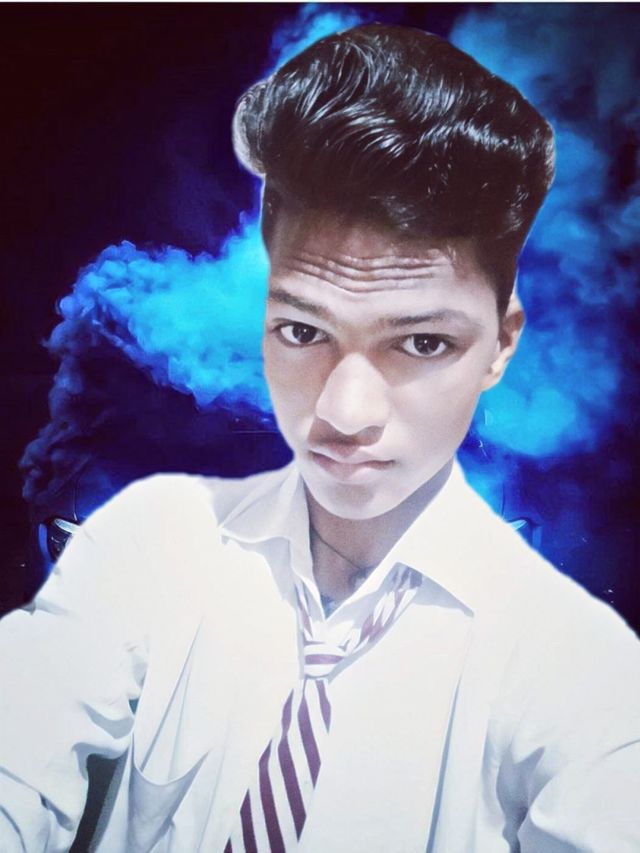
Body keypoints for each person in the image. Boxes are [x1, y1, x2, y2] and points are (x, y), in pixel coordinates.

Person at [1, 23, 639, 853]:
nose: (344, 412)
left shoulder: (582, 675)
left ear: (501, 343)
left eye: (421, 342)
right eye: (303, 331)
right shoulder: (148, 545)